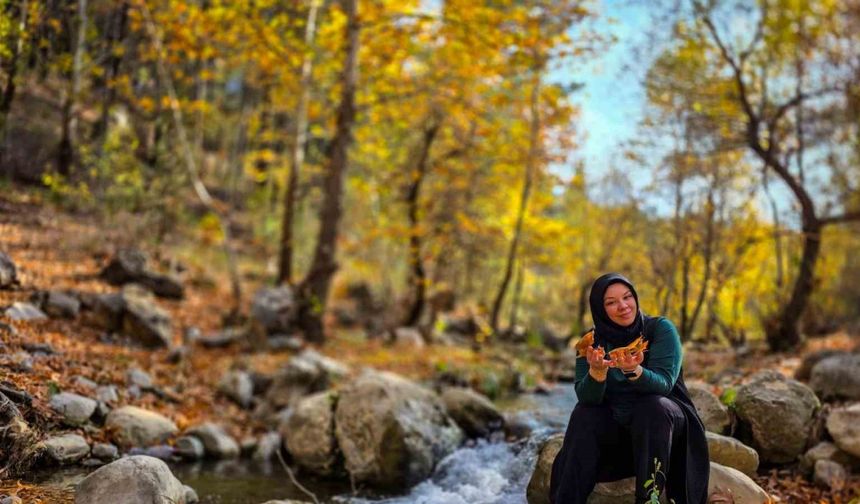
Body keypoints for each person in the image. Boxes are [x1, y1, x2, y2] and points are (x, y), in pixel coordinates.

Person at [549, 272, 709, 504]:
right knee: (584, 413)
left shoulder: (660, 329)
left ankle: (648, 500)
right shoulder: (590, 343)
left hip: (665, 430)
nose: (623, 306)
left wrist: (635, 371)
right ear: (600, 309)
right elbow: (586, 398)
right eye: (611, 302)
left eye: (627, 297)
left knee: (651, 406)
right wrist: (597, 373)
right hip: (620, 436)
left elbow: (664, 385)